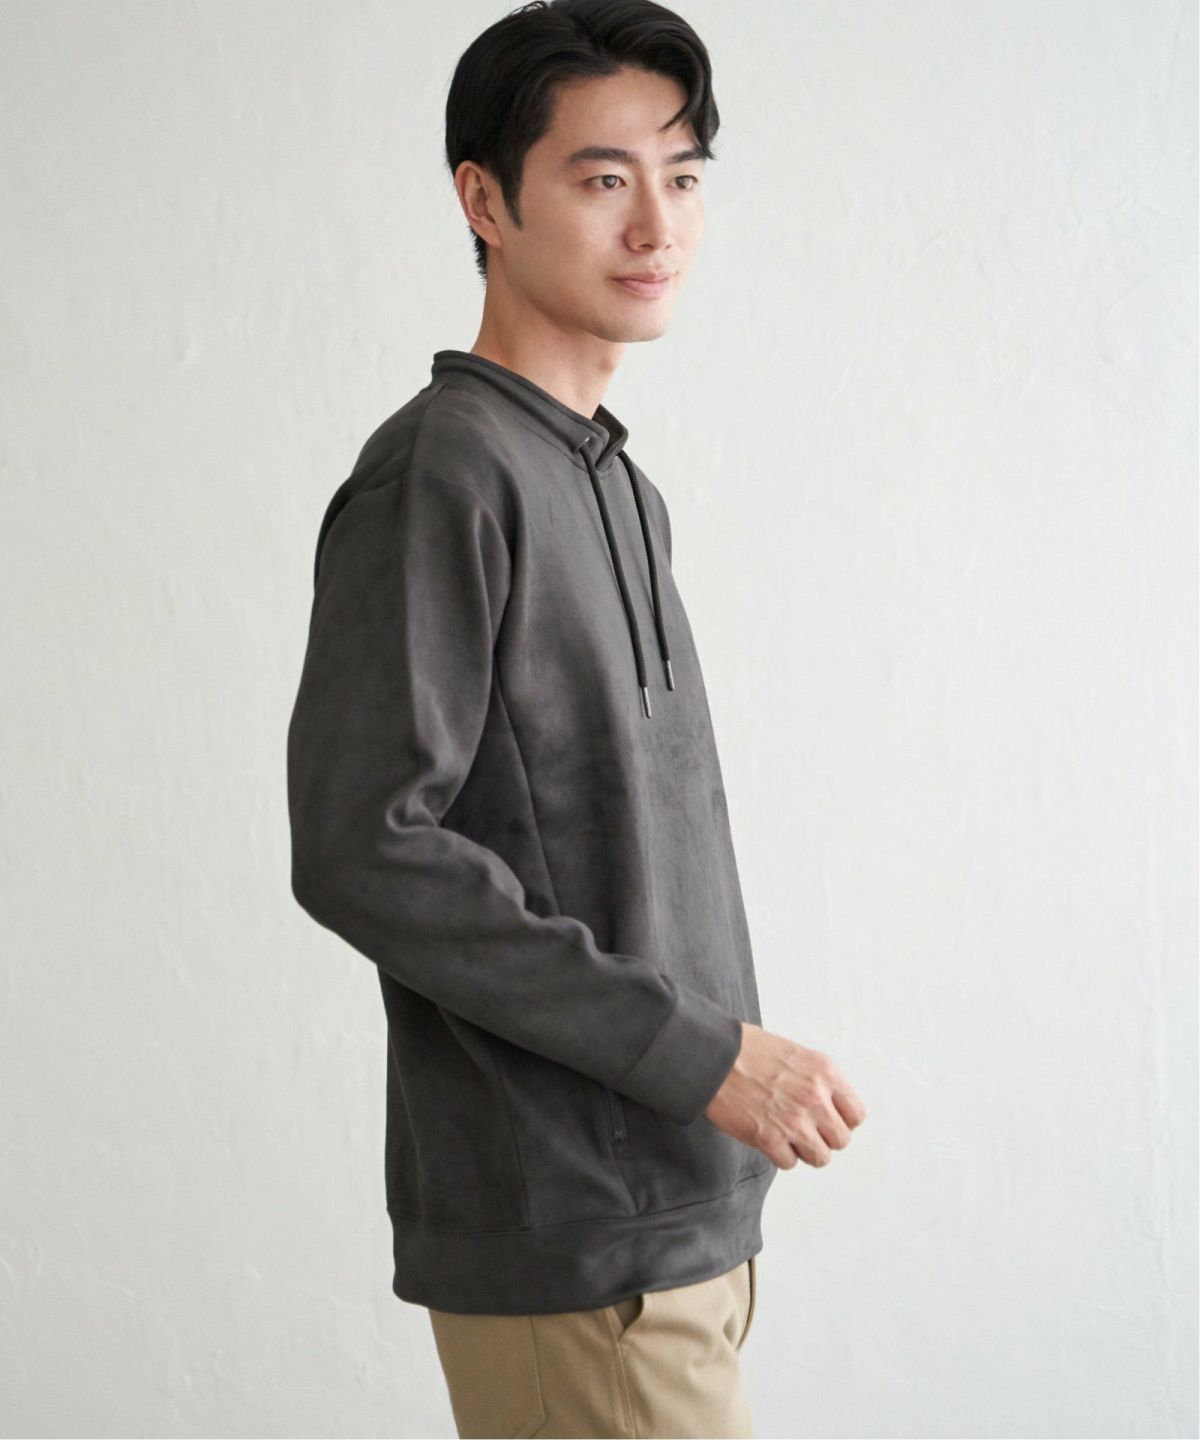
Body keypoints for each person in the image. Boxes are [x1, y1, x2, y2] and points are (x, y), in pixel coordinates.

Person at [286, 1, 867, 1434]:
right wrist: (707, 1056)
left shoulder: (616, 486)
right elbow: (366, 846)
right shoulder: (443, 474)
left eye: (684, 175)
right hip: (578, 1236)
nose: (657, 224)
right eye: (604, 178)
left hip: (682, 1215)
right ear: (484, 201)